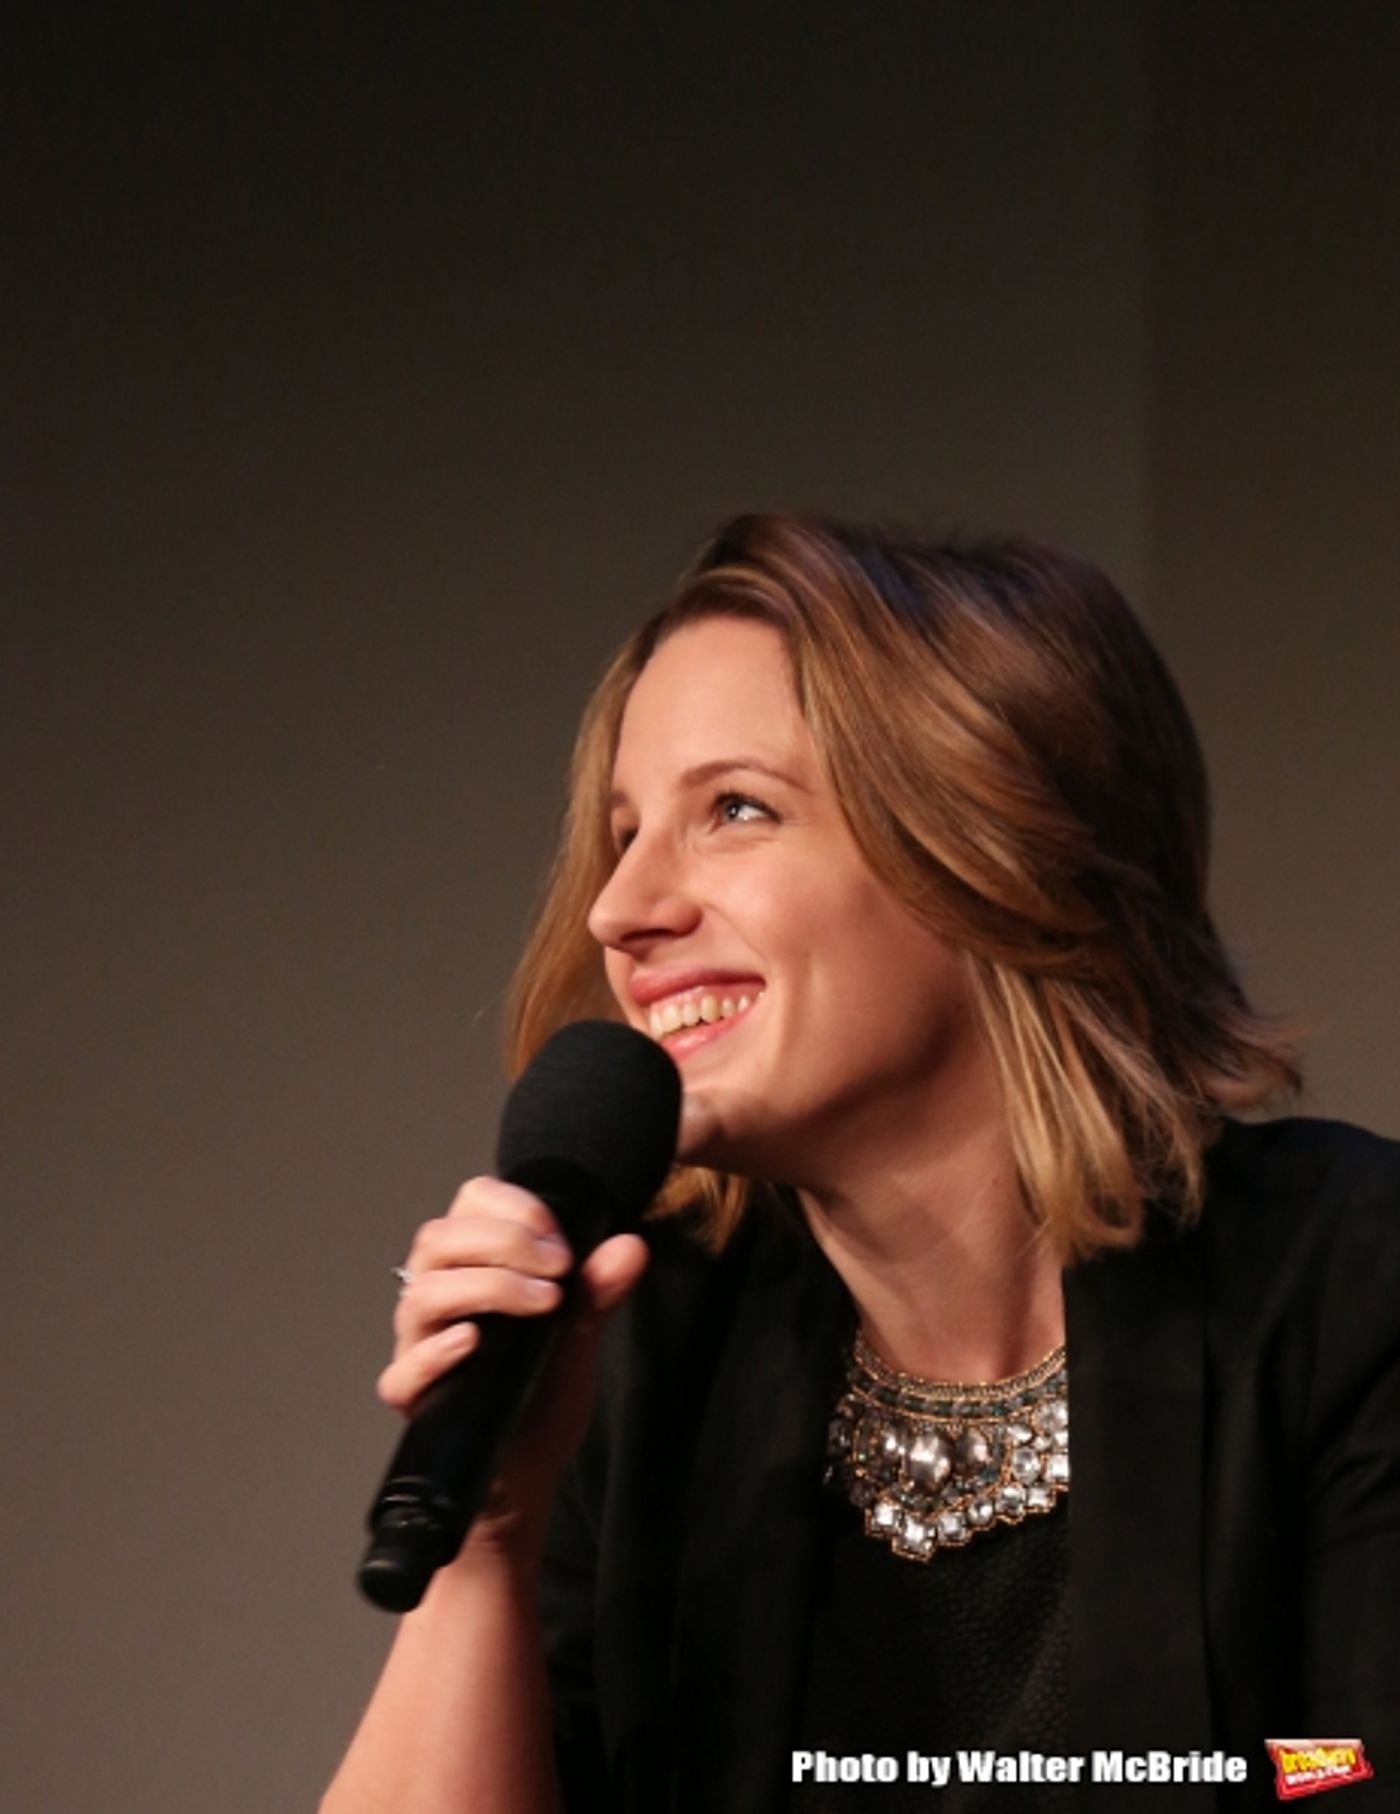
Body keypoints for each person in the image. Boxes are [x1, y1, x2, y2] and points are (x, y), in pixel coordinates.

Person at [322, 515, 1400, 1813]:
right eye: (621, 831)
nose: (620, 909)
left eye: (733, 809)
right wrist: (489, 1540)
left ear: (990, 849)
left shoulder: (1349, 1284)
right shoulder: (649, 1342)